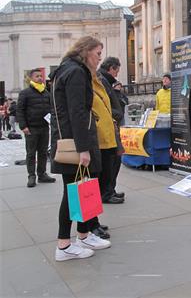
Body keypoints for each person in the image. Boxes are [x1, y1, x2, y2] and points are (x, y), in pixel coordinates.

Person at [50, 36, 110, 261]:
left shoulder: (66, 70)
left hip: (71, 138)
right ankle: (64, 246)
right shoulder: (75, 72)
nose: (99, 59)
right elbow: (77, 111)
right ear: (86, 52)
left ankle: (83, 236)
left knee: (84, 189)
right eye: (97, 54)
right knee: (73, 192)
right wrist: (83, 148)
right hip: (76, 141)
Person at [17, 68, 56, 187]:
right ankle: (31, 176)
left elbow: (51, 108)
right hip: (31, 128)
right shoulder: (25, 93)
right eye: (37, 76)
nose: (40, 78)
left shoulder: (46, 92)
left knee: (43, 152)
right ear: (31, 78)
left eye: (41, 76)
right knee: (31, 153)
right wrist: (23, 126)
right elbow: (20, 110)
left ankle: (42, 174)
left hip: (44, 127)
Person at [97, 57, 125, 204]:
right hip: (109, 125)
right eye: (116, 71)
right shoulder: (101, 79)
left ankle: (110, 190)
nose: (117, 74)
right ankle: (106, 193)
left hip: (112, 123)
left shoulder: (106, 81)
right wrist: (115, 114)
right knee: (111, 162)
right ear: (111, 68)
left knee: (114, 161)